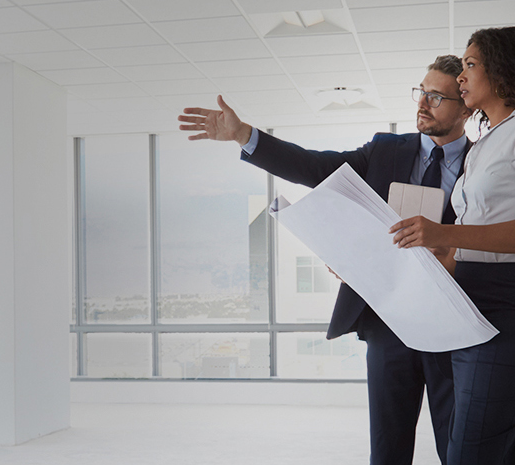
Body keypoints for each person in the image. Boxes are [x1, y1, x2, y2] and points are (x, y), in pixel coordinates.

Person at [178, 56, 475, 465]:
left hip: (451, 323)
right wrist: (244, 135)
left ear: (466, 106)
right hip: (386, 320)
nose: (422, 104)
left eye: (436, 97)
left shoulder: (482, 165)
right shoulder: (386, 150)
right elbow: (314, 167)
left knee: (459, 444)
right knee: (388, 447)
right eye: (421, 92)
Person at [387, 27, 515, 464]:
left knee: (469, 453)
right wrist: (433, 255)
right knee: (511, 453)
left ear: (506, 70)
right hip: (474, 305)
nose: (461, 77)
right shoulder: (488, 141)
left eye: (471, 65)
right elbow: (478, 236)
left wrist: (445, 234)